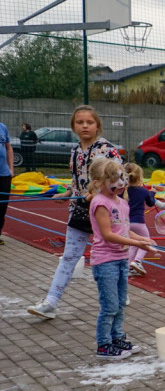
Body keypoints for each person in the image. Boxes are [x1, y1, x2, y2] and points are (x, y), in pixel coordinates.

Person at [28, 106, 124, 320]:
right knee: (69, 257)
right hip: (80, 211)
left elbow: (121, 180)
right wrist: (68, 192)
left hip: (105, 213)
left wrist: (98, 194)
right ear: (73, 126)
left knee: (112, 258)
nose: (84, 126)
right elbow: (76, 179)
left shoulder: (108, 150)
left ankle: (119, 294)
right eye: (80, 122)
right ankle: (51, 301)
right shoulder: (74, 151)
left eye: (89, 122)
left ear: (97, 125)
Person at [87, 158, 155, 359]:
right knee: (109, 306)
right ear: (99, 182)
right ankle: (104, 345)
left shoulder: (123, 203)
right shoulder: (100, 203)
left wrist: (142, 238)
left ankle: (116, 337)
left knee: (119, 305)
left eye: (121, 178)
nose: (119, 183)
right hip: (105, 260)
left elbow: (124, 230)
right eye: (113, 179)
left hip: (122, 259)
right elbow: (107, 234)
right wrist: (137, 244)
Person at [124, 163, 156, 274]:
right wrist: (152, 193)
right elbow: (151, 203)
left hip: (126, 222)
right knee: (146, 241)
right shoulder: (143, 191)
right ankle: (137, 261)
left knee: (133, 243)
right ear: (139, 177)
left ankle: (128, 266)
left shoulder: (123, 191)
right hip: (139, 222)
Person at [0, 120, 12, 246]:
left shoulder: (3, 127)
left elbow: (9, 148)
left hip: (4, 175)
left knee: (2, 207)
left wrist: (11, 169)